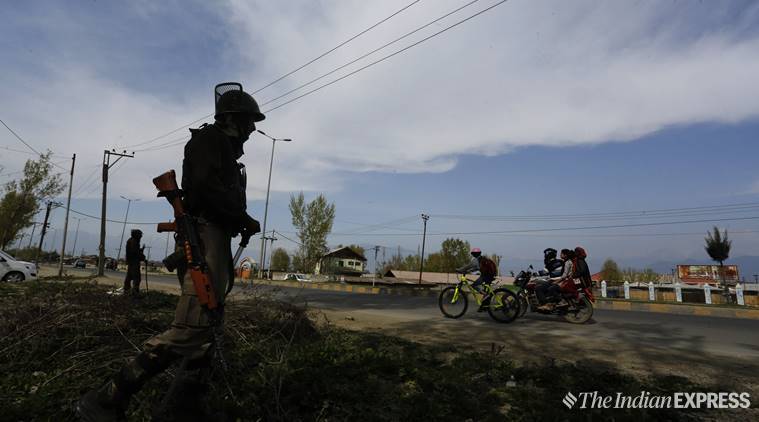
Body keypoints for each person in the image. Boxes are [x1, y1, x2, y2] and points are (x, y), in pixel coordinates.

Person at [77, 82, 263, 421]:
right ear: (233, 118)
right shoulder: (210, 140)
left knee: (208, 328)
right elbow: (206, 189)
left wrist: (237, 220)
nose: (252, 130)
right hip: (205, 236)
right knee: (193, 325)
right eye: (250, 122)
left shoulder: (225, 151)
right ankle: (106, 400)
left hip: (214, 236)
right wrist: (242, 217)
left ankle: (184, 408)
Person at [456, 247, 498, 312]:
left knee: (474, 285)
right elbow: (476, 268)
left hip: (486, 276)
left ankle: (485, 297)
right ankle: (484, 307)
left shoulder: (476, 260)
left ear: (474, 254)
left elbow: (467, 266)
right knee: (486, 291)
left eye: (473, 254)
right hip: (491, 275)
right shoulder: (482, 259)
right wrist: (468, 271)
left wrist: (460, 270)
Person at [123, 229, 146, 295]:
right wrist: (143, 257)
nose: (141, 236)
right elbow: (135, 252)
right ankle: (135, 292)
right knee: (137, 278)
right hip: (134, 262)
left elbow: (136, 251)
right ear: (137, 235)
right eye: (140, 235)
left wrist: (141, 250)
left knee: (129, 277)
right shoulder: (134, 241)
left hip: (131, 262)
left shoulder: (131, 240)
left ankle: (126, 290)